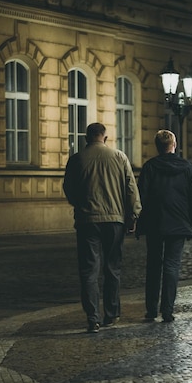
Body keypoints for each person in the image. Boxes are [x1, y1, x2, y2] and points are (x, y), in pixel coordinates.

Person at [63, 122, 142, 334]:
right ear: (105, 138)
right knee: (112, 267)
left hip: (87, 220)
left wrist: (80, 204)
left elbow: (68, 190)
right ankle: (112, 313)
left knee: (89, 270)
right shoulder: (119, 157)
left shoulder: (77, 159)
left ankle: (92, 317)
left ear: (86, 138)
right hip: (114, 220)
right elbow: (130, 189)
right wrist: (133, 215)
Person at [136, 129, 192, 323]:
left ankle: (150, 310)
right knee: (172, 265)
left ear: (157, 146)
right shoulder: (187, 167)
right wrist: (191, 223)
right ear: (175, 144)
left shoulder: (149, 167)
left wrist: (140, 223)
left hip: (155, 223)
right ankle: (167, 310)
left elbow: (141, 197)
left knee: (154, 265)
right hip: (179, 223)